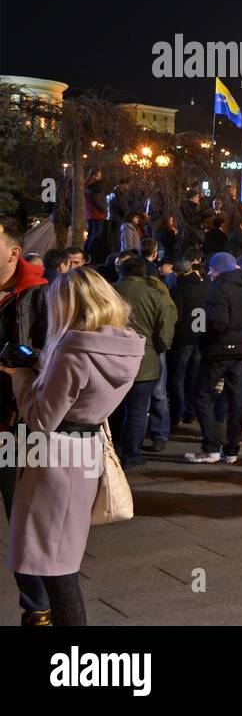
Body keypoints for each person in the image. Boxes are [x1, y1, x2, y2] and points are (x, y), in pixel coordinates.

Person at [2, 267, 144, 626]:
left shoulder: (73, 349)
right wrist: (38, 362)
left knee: (56, 569)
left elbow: (41, 419)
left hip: (55, 460)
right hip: (85, 450)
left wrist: (19, 376)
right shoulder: (123, 346)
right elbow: (86, 390)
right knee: (62, 559)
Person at [0, 216, 52, 623]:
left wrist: (20, 364)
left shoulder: (36, 296)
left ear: (14, 252)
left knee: (22, 520)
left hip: (14, 426)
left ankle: (37, 607)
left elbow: (50, 358)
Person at [185, 252, 242, 464]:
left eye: (212, 269)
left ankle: (211, 447)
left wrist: (205, 339)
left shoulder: (219, 289)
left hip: (219, 351)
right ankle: (232, 449)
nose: (209, 273)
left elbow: (218, 322)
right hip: (240, 351)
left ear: (219, 270)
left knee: (202, 396)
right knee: (236, 401)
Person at [110, 252, 176, 465]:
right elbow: (165, 331)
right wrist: (158, 348)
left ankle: (112, 448)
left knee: (113, 408)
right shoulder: (155, 295)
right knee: (138, 409)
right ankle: (131, 453)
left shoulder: (110, 292)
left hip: (112, 356)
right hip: (144, 359)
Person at [165, 256, 208, 437]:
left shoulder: (178, 289)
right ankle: (191, 411)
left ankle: (177, 413)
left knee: (178, 377)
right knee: (194, 376)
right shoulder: (205, 287)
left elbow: (177, 316)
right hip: (200, 337)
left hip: (183, 339)